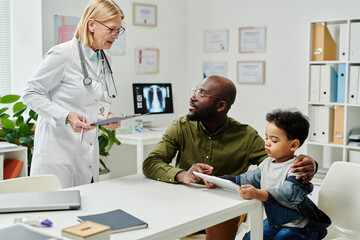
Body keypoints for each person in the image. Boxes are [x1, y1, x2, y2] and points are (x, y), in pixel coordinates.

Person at [142, 75, 318, 240]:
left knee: (220, 221)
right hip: (185, 201)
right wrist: (183, 175)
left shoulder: (245, 136)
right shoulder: (181, 126)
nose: (193, 98)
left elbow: (280, 160)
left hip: (224, 207)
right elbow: (151, 163)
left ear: (220, 106)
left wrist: (311, 164)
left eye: (201, 94)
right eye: (195, 91)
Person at [23, 0, 125, 188]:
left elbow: (93, 100)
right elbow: (31, 94)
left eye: (119, 30)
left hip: (86, 150)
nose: (116, 36)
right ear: (92, 24)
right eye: (111, 29)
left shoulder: (104, 59)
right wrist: (66, 116)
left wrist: (107, 117)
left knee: (84, 208)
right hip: (58, 151)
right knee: (55, 212)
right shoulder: (62, 54)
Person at [205, 109, 331, 240]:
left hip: (299, 227)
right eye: (266, 138)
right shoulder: (267, 163)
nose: (267, 143)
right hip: (276, 222)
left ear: (293, 145)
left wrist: (258, 194)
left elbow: (288, 193)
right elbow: (246, 178)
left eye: (274, 140)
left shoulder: (298, 166)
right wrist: (219, 180)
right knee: (249, 238)